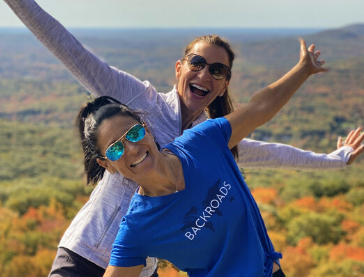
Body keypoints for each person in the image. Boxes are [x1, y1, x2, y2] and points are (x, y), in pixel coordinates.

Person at [1, 0, 363, 276]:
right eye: (197, 63)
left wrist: (337, 160)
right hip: (85, 254)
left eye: (217, 71)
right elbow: (71, 51)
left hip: (141, 267)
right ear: (179, 68)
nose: (205, 74)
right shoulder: (140, 102)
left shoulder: (208, 141)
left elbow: (277, 150)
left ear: (223, 85)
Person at [74, 41, 354, 276]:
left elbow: (261, 108)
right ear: (107, 165)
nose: (131, 148)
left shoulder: (202, 142)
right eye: (115, 149)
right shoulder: (137, 228)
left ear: (146, 129)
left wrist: (303, 69)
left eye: (133, 133)